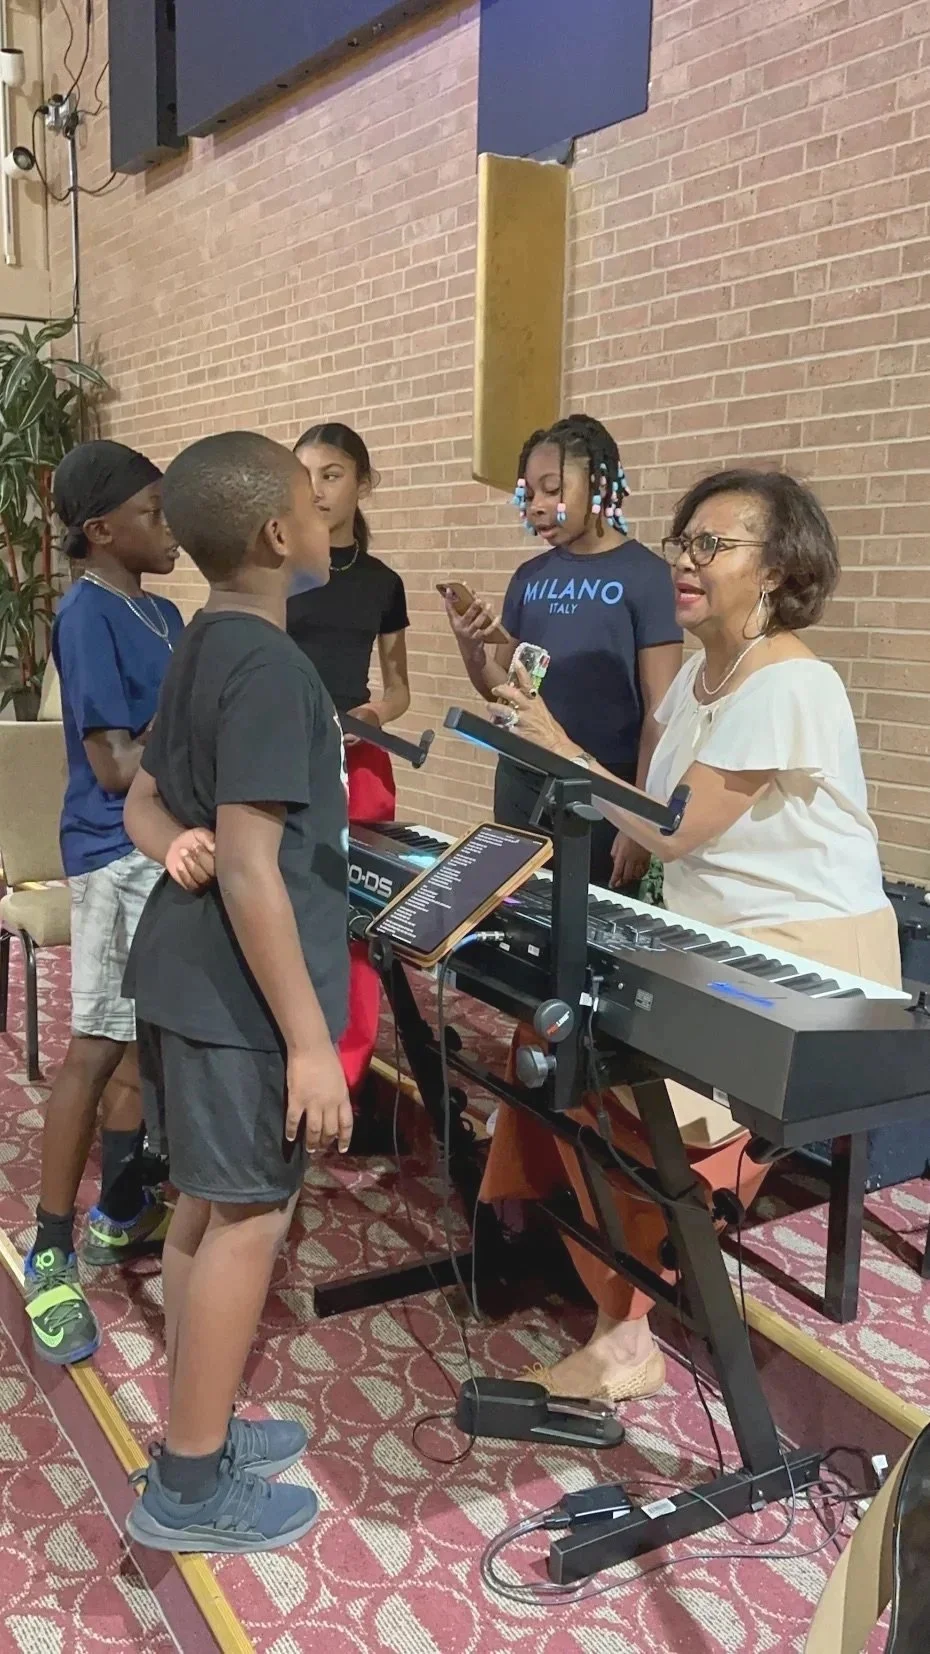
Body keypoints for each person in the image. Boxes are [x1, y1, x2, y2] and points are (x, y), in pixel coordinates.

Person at [483, 468, 902, 1404]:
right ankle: (585, 1271)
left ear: (778, 571)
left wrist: (554, 739)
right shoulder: (697, 683)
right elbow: (647, 830)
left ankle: (624, 1329)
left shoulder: (792, 680)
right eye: (683, 541)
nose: (685, 559)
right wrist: (622, 858)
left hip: (807, 962)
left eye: (714, 546)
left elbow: (671, 824)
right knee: (547, 1039)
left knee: (618, 1082)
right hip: (716, 940)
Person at [121, 431, 352, 1554]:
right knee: (250, 1214)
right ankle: (190, 1484)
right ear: (277, 533)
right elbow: (258, 868)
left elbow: (145, 799)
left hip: (182, 979)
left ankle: (194, 1424)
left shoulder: (202, 639)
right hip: (238, 1003)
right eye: (314, 497)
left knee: (205, 1207)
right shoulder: (270, 667)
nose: (326, 511)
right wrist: (312, 1046)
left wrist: (170, 840)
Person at [25, 441, 184, 1367]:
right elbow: (115, 766)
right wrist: (193, 713)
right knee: (96, 1043)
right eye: (154, 514)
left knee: (141, 1036)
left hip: (161, 846)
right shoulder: (87, 615)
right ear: (101, 531)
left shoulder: (163, 610)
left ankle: (120, 1204)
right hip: (111, 849)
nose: (169, 529)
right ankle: (50, 1247)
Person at [444, 414, 682, 889]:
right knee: (518, 923)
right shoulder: (529, 578)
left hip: (603, 790)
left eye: (552, 489)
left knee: (592, 938)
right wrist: (472, 649)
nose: (536, 506)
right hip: (520, 781)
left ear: (597, 484)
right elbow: (512, 693)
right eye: (528, 493)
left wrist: (639, 818)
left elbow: (662, 713)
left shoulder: (647, 576)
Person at [286, 422, 409, 1100]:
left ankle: (346, 1071)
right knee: (283, 906)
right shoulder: (277, 570)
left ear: (363, 483)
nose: (317, 488)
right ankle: (286, 1059)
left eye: (332, 473)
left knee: (355, 916)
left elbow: (399, 689)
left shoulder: (383, 582)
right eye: (304, 475)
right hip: (285, 758)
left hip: (359, 762)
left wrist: (376, 717)